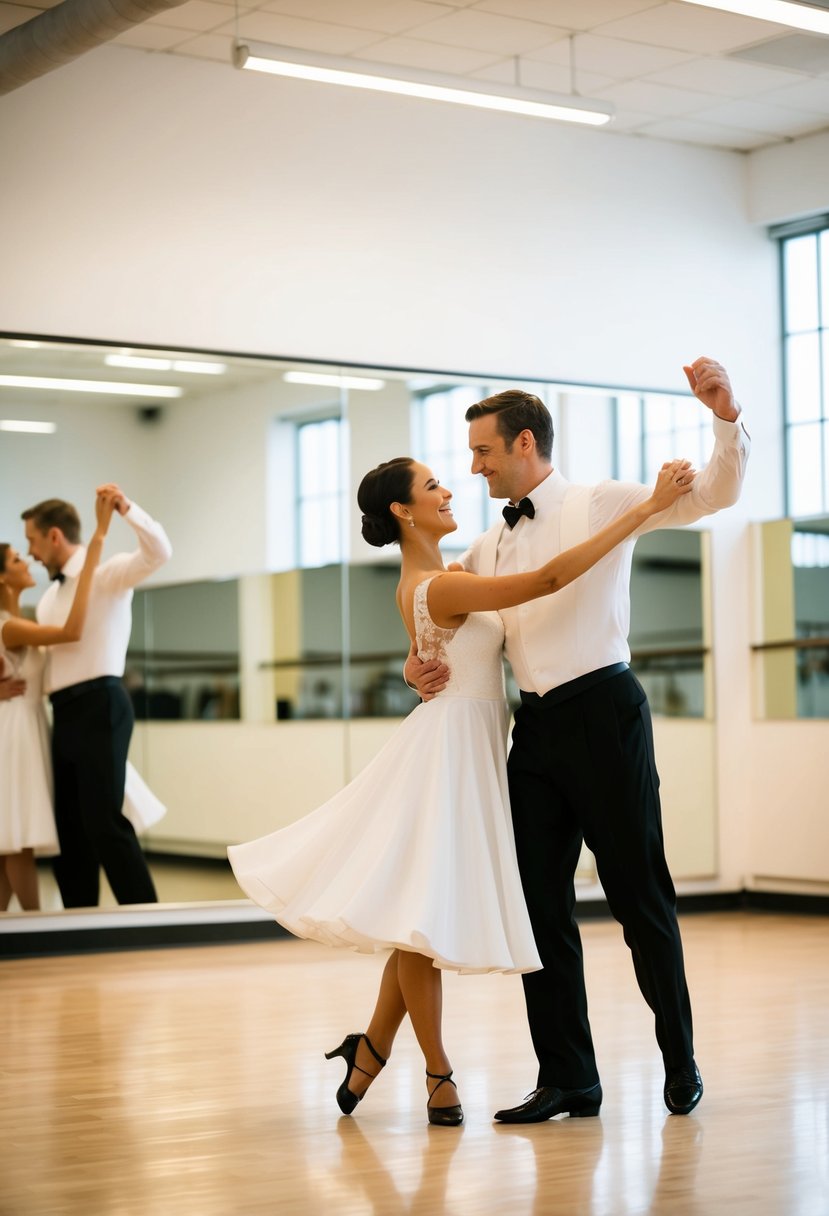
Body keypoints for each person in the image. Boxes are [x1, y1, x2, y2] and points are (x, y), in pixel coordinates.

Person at [228, 454, 695, 1127]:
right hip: (449, 755)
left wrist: (411, 663)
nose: (451, 487)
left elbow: (440, 641)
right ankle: (437, 1073)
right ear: (401, 510)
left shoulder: (451, 572)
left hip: (479, 745)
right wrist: (645, 510)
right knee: (418, 918)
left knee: (416, 916)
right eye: (432, 485)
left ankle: (373, 1049)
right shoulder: (441, 583)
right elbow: (549, 577)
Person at [405, 355, 750, 1121]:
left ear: (524, 443)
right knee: (537, 908)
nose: (474, 467)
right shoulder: (490, 546)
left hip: (604, 713)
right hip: (536, 732)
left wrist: (723, 417)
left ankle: (679, 1058)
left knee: (638, 897)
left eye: (483, 452)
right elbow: (445, 615)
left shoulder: (602, 500)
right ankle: (569, 1077)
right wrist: (415, 664)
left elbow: (716, 496)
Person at [22, 485, 172, 908]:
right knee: (68, 827)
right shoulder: (50, 597)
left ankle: (145, 919)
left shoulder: (108, 574)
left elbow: (160, 552)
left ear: (54, 536)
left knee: (104, 820)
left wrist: (126, 509)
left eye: (32, 540)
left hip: (102, 704)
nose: (30, 552)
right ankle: (79, 920)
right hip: (63, 713)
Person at [0, 490, 115, 910]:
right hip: (15, 734)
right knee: (16, 838)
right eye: (16, 559)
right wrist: (97, 542)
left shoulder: (18, 623)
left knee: (12, 841)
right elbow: (70, 632)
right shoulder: (11, 627)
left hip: (26, 727)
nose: (28, 558)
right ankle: (35, 928)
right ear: (3, 579)